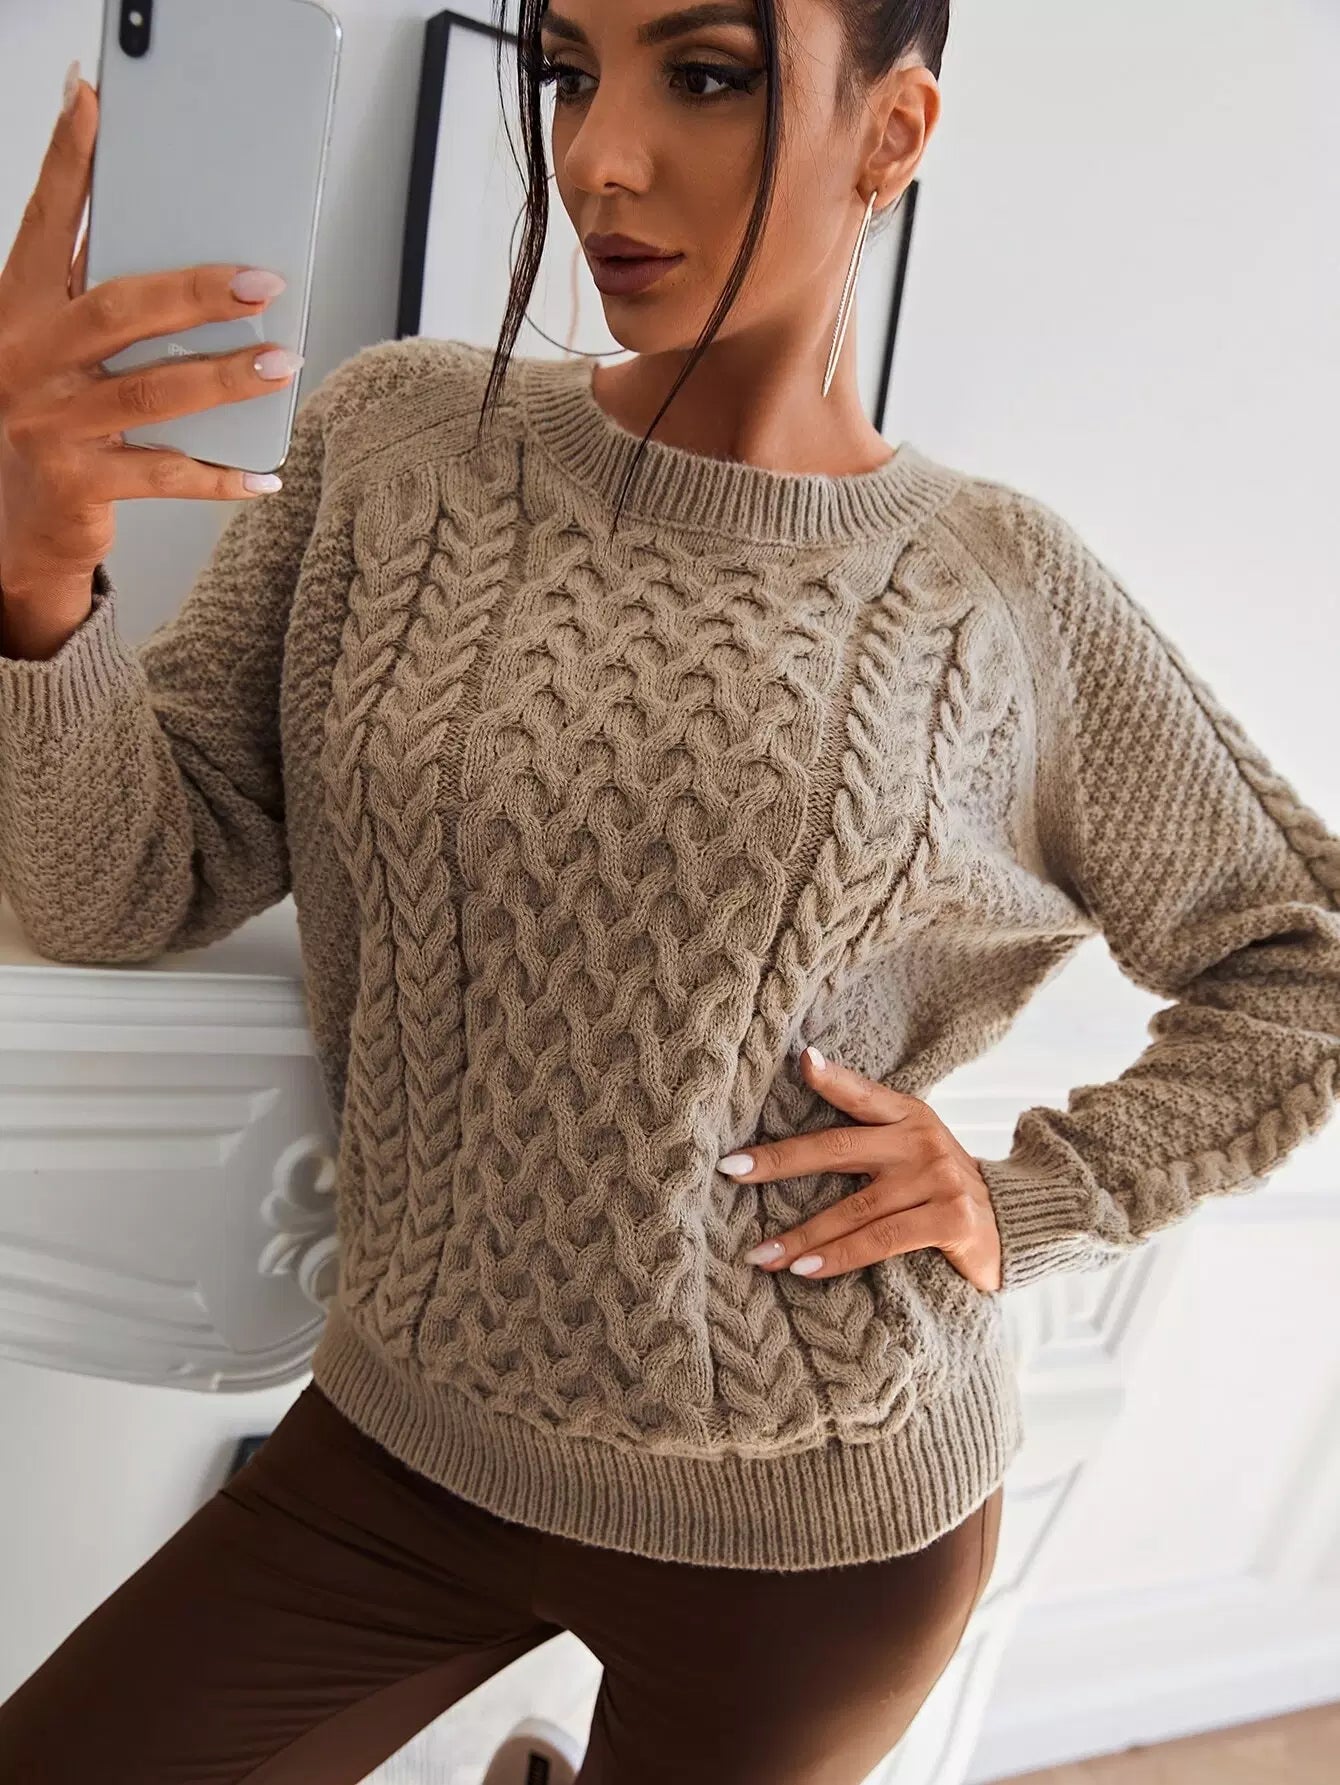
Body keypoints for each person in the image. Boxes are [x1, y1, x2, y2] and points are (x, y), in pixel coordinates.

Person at [1, 3, 1337, 1782]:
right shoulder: (394, 442)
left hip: (817, 1532)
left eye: (706, 76)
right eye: (568, 72)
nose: (599, 158)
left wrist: (1033, 1200)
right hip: (400, 1451)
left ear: (894, 129)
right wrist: (36, 579)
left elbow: (1303, 960)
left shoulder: (992, 589)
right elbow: (120, 884)